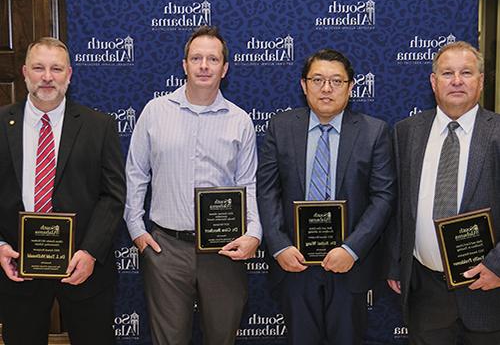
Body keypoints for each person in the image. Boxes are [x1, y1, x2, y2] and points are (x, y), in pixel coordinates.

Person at [124, 25, 262, 345]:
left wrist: (254, 233)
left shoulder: (239, 120)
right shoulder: (155, 112)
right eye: (196, 58)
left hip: (224, 248)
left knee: (221, 338)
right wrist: (136, 229)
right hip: (166, 248)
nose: (204, 66)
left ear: (224, 68)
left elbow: (248, 183)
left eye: (212, 59)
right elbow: (136, 173)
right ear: (184, 64)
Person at [257, 48, 396, 345]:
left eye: (336, 80)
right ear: (304, 85)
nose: (326, 88)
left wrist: (352, 249)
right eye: (317, 79)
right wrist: (280, 246)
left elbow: (383, 197)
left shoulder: (374, 132)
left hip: (350, 265)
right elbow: (267, 190)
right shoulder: (281, 128)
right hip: (295, 264)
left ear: (350, 87)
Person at [0, 37, 126, 345]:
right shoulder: (2, 123)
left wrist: (91, 252)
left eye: (56, 68)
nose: (47, 77)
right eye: (39, 68)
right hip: (17, 267)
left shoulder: (100, 126)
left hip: (83, 267)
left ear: (69, 74)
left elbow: (113, 196)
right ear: (24, 72)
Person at [387, 41, 500, 344]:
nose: (457, 80)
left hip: (488, 288)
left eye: (467, 72)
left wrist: (497, 266)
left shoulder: (498, 133)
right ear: (433, 82)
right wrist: (396, 262)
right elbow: (398, 204)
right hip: (426, 289)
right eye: (447, 73)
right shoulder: (406, 131)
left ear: (481, 81)